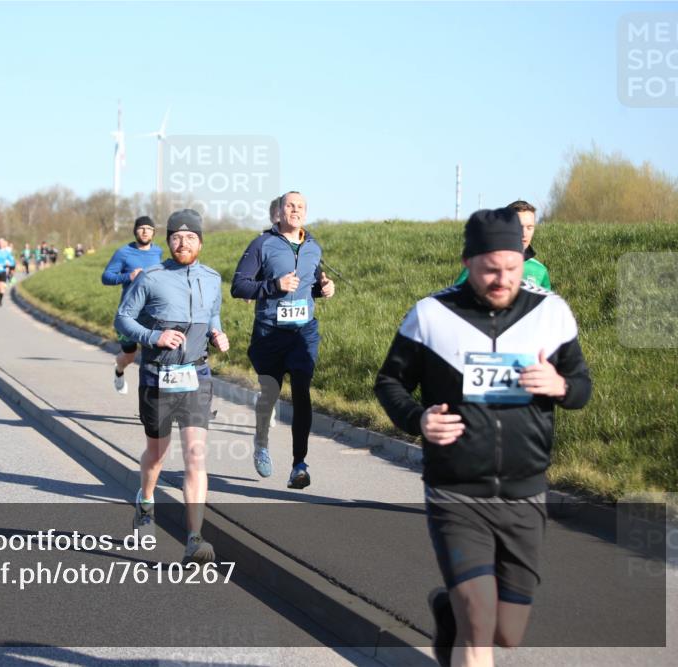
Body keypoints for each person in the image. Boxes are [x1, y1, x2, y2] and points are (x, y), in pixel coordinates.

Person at [373, 207, 592, 667]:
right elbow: (390, 383)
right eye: (490, 269)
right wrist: (418, 419)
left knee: (506, 633)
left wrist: (561, 386)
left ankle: (446, 610)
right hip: (456, 491)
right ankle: (462, 615)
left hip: (524, 493)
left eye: (511, 268)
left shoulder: (551, 314)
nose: (502, 279)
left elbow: (581, 386)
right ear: (468, 262)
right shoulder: (432, 315)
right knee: (479, 628)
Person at [115, 209, 230, 563]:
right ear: (168, 242)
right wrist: (154, 335)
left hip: (196, 375)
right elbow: (123, 317)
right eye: (177, 238)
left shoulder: (212, 278)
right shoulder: (151, 277)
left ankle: (195, 538)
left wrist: (216, 332)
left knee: (196, 456)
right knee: (157, 455)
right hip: (157, 377)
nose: (183, 243)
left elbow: (212, 313)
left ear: (200, 241)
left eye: (190, 237)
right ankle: (146, 502)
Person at [230, 191, 335, 488]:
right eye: (290, 205)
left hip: (303, 332)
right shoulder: (262, 244)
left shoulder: (313, 246)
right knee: (270, 393)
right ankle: (261, 442)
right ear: (278, 212)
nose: (295, 210)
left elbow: (311, 283)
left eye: (300, 206)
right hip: (269, 334)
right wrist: (274, 285)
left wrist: (324, 289)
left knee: (302, 391)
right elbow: (239, 286)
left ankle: (299, 464)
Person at [102, 216, 164, 394]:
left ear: (154, 232)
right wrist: (127, 277)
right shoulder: (123, 253)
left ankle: (151, 401)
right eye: (141, 228)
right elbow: (106, 277)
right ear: (135, 230)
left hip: (152, 313)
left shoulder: (158, 252)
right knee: (129, 356)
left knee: (153, 357)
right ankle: (118, 371)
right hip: (129, 314)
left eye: (149, 228)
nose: (145, 231)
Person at [455, 200, 550, 290]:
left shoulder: (539, 270)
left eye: (529, 227)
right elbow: (457, 296)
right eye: (519, 226)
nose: (524, 233)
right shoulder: (480, 263)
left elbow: (546, 305)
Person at [0, 238, 16, 307]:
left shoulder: (6, 252)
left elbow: (12, 261)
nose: (0, 244)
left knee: (1, 288)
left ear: (4, 244)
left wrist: (9, 264)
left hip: (3, 271)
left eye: (2, 242)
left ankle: (0, 300)